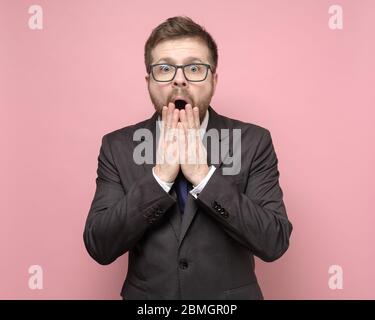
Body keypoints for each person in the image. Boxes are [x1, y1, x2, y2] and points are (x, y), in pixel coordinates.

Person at [83, 16, 293, 300]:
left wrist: (204, 177)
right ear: (149, 82)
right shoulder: (117, 147)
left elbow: (274, 241)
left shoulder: (253, 142)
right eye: (165, 68)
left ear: (214, 80)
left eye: (194, 68)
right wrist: (159, 179)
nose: (179, 79)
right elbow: (100, 245)